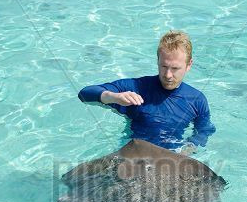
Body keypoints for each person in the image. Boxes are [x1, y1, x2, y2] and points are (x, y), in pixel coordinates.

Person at [78, 30, 215, 152]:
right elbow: (84, 94)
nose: (167, 75)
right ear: (157, 60)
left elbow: (204, 131)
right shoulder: (137, 87)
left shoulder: (197, 99)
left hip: (170, 158)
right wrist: (113, 97)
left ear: (189, 64)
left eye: (175, 68)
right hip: (132, 156)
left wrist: (187, 150)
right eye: (163, 66)